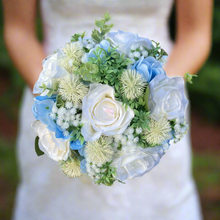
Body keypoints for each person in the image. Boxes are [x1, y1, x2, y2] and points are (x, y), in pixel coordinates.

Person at [3, 0, 213, 219]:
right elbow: (18, 30)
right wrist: (61, 105)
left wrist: (153, 99)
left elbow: (195, 33)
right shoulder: (59, 107)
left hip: (155, 108)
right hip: (57, 101)